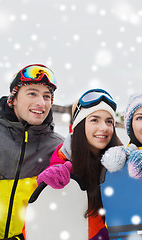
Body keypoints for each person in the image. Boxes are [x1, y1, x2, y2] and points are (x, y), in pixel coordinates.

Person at [0, 64, 64, 239]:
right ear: (13, 98)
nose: (41, 103)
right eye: (32, 93)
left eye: (47, 96)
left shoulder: (59, 148)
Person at [35, 89, 123, 239]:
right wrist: (47, 189)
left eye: (109, 121)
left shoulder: (121, 161)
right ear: (80, 125)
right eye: (94, 120)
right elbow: (42, 221)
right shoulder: (64, 161)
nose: (104, 127)